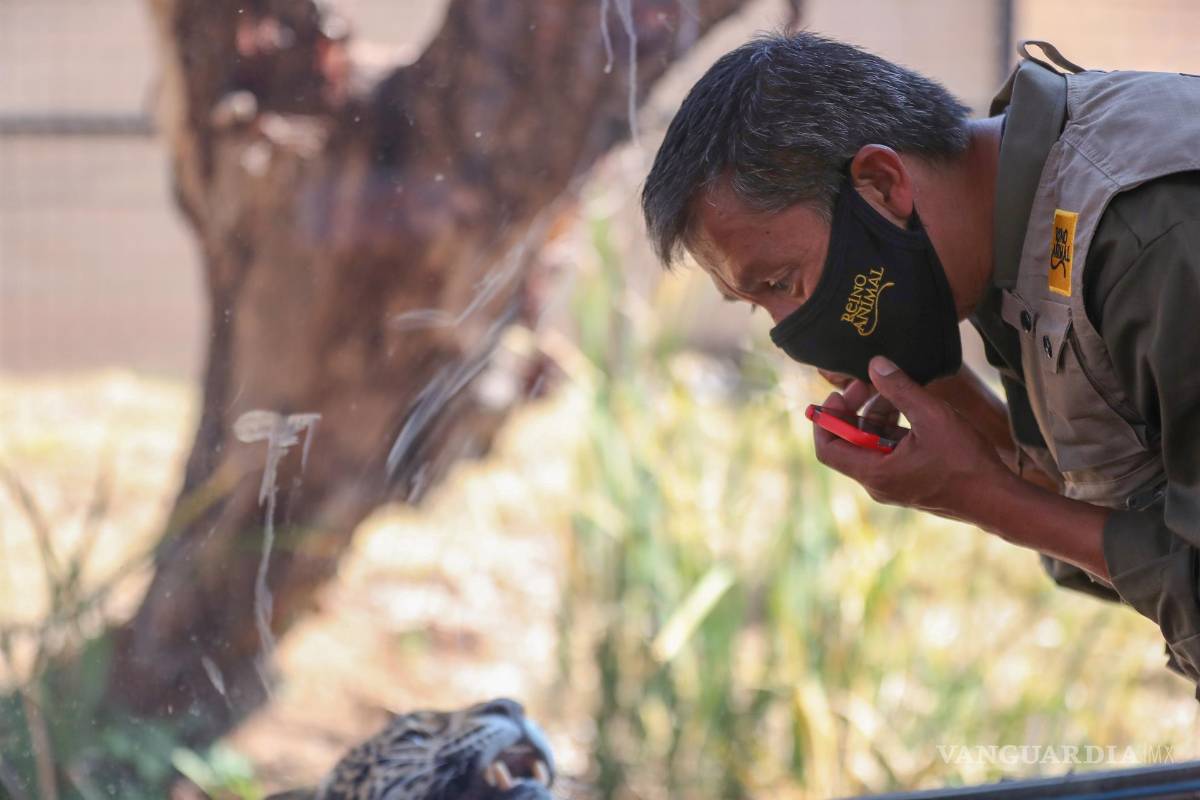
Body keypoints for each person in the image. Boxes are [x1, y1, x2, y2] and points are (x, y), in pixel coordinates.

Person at [641, 33, 1200, 694]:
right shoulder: (1010, 239)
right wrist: (965, 415)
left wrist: (984, 500)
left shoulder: (1149, 238)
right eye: (752, 304)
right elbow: (1140, 531)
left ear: (882, 183)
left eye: (781, 282)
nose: (789, 334)